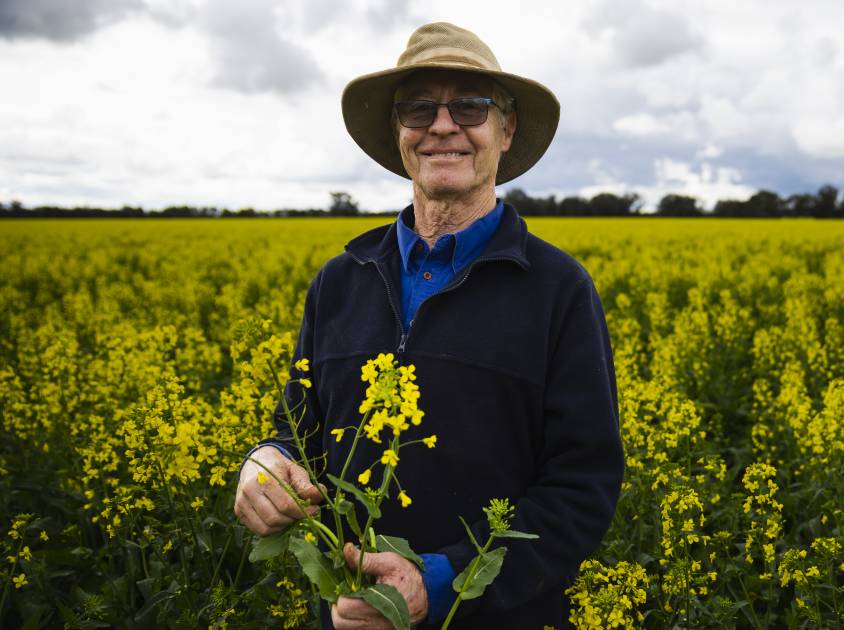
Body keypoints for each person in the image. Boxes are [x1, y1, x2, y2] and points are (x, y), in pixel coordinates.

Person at [232, 21, 624, 629]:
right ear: (400, 134)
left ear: (505, 128)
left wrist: (441, 583)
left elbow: (584, 486)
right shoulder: (338, 282)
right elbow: (297, 430)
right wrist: (266, 460)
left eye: (470, 105)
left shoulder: (559, 290)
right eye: (420, 108)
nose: (443, 125)